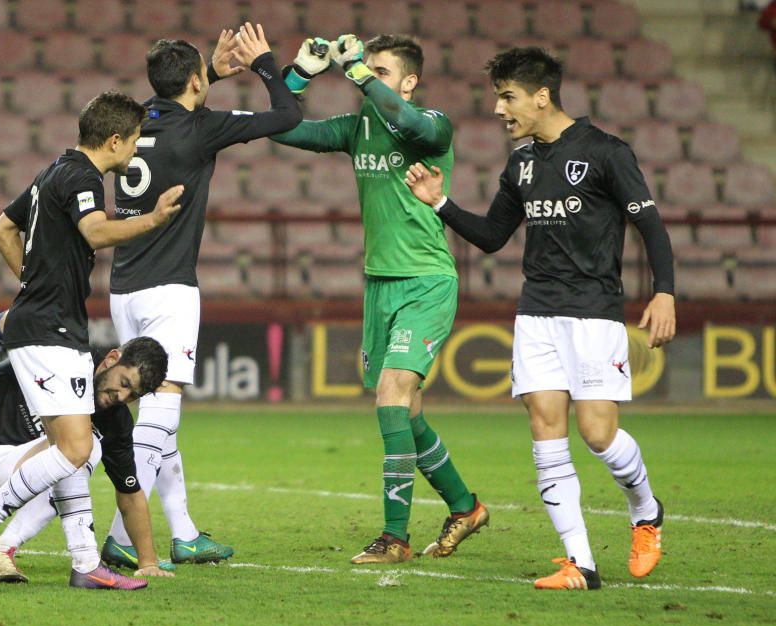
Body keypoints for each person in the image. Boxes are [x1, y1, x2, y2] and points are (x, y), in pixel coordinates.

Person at [405, 47, 675, 590]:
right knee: (545, 430)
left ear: (541, 96)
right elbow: (491, 237)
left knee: (598, 433)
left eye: (508, 97)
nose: (500, 110)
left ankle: (645, 511)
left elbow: (651, 227)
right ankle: (582, 563)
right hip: (536, 315)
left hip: (595, 313)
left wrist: (664, 292)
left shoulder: (606, 153)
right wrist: (440, 204)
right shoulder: (521, 164)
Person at [271, 34, 488, 564]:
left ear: (409, 81)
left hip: (426, 281)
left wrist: (359, 75)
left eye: (382, 72)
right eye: (368, 71)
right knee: (407, 414)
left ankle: (396, 537)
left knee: (390, 396)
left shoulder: (433, 125)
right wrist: (298, 76)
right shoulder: (356, 128)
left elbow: (407, 123)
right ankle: (465, 505)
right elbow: (281, 128)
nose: (366, 78)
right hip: (380, 284)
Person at [0, 90, 184, 590]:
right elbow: (98, 233)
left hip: (50, 323)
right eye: (136, 139)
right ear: (115, 139)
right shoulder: (81, 176)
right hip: (49, 329)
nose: (137, 149)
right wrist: (155, 220)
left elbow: (2, 229)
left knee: (73, 452)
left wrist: (33, 287)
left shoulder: (49, 173)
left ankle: (85, 565)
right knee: (77, 448)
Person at [100, 23, 302, 566]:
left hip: (124, 288)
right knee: (163, 407)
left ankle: (185, 532)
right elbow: (288, 116)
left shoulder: (137, 121)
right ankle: (122, 536)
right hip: (169, 288)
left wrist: (208, 72)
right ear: (193, 82)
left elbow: (174, 102)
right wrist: (263, 64)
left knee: (156, 411)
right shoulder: (202, 128)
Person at [0, 339, 172, 584]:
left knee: (86, 449)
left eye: (133, 395)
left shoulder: (115, 421)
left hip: (14, 469)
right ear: (112, 359)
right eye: (124, 383)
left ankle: (4, 548)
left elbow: (129, 492)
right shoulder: (64, 357)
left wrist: (148, 563)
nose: (121, 397)